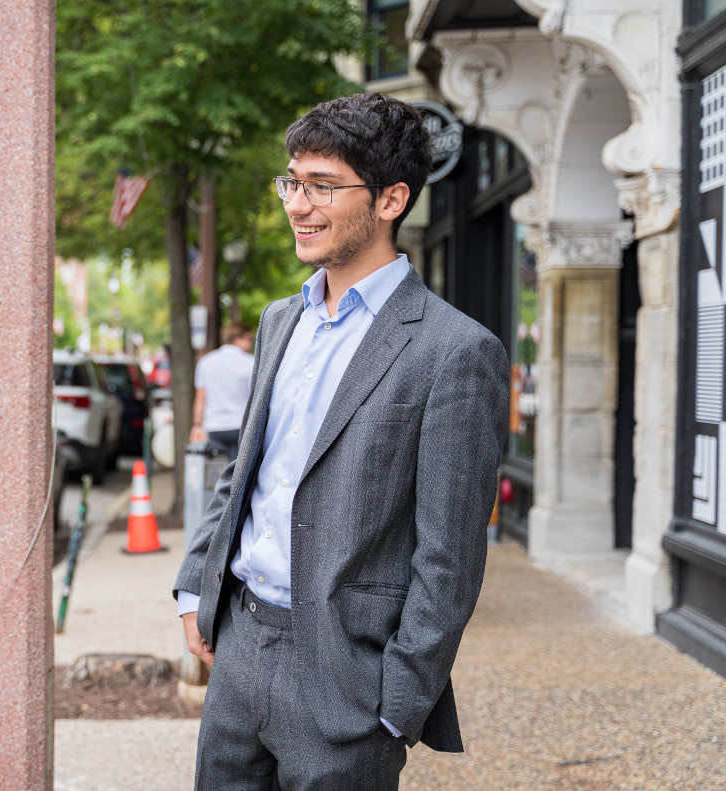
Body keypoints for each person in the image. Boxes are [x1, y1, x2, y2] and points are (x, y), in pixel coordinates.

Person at [173, 92, 509, 790]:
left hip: (347, 681)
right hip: (237, 647)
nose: (297, 203)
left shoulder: (456, 351)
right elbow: (247, 472)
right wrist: (193, 588)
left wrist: (395, 704)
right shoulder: (279, 320)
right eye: (292, 181)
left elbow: (450, 551)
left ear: (391, 199)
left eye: (323, 186)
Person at [190, 323, 254, 461]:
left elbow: (201, 398)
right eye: (248, 338)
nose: (251, 342)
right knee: (238, 475)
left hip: (214, 427)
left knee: (216, 476)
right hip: (241, 426)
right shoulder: (251, 363)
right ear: (237, 339)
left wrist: (196, 426)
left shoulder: (205, 362)